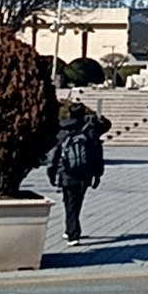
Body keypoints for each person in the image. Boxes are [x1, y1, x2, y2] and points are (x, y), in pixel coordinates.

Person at [47, 102, 105, 244]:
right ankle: (72, 229)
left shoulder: (62, 130)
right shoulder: (90, 130)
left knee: (69, 201)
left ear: (69, 113)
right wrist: (98, 174)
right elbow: (97, 153)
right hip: (85, 173)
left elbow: (54, 154)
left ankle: (72, 232)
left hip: (66, 172)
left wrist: (51, 172)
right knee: (77, 201)